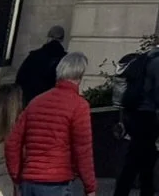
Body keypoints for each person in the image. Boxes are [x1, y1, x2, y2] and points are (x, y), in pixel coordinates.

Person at [6, 51, 96, 196]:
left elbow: (12, 142)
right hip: (57, 179)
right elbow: (83, 149)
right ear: (80, 75)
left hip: (29, 179)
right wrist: (90, 186)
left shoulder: (36, 102)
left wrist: (16, 175)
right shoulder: (79, 105)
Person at [114, 30, 159, 196]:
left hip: (135, 113)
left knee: (144, 159)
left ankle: (141, 192)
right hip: (147, 116)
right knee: (138, 160)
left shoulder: (147, 56)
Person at [16, 28, 68, 103]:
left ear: (49, 37)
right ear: (62, 39)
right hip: (52, 100)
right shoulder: (65, 59)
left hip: (31, 98)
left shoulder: (34, 55)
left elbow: (21, 78)